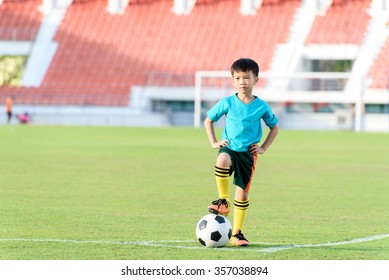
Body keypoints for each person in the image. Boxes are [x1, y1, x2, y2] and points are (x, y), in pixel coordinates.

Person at [204, 58, 279, 246]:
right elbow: (208, 120)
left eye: (247, 78)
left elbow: (275, 128)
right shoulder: (227, 102)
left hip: (248, 153)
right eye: (238, 78)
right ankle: (223, 201)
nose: (242, 82)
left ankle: (237, 234)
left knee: (243, 195)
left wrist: (263, 148)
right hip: (229, 147)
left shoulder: (261, 106)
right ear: (233, 81)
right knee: (222, 159)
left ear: (256, 80)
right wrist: (214, 142)